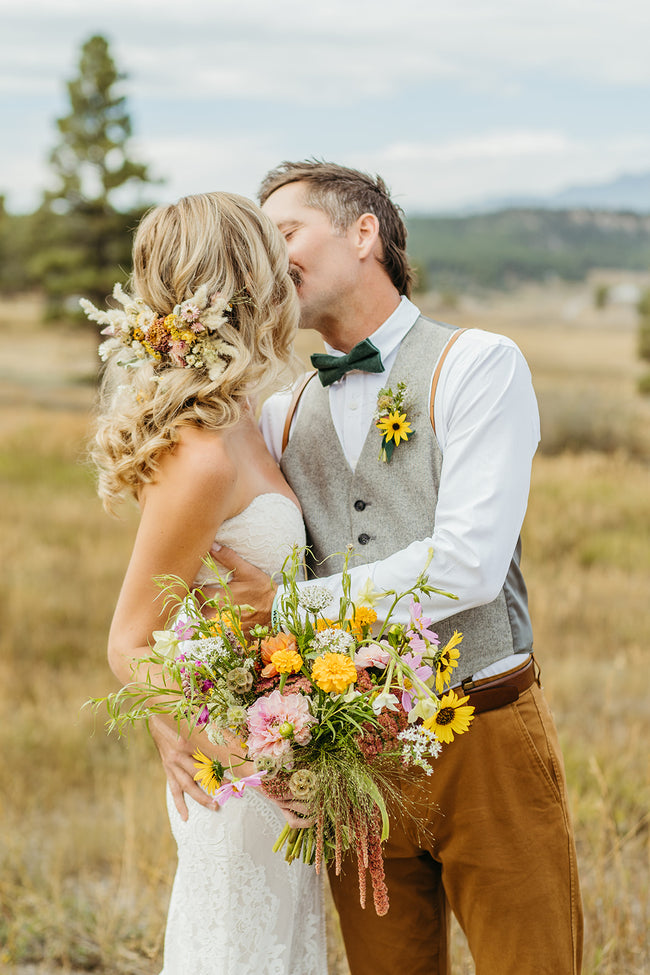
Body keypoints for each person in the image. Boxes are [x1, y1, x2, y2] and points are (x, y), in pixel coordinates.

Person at [213, 161, 583, 975]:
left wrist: (291, 610)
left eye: (285, 234)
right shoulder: (282, 413)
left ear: (364, 231)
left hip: (483, 730)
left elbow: (468, 564)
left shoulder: (479, 364)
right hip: (353, 758)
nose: (269, 262)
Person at [87, 192, 327, 975]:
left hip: (268, 752)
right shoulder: (203, 454)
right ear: (248, 280)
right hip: (242, 780)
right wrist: (252, 762)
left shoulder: (244, 419)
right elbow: (129, 640)